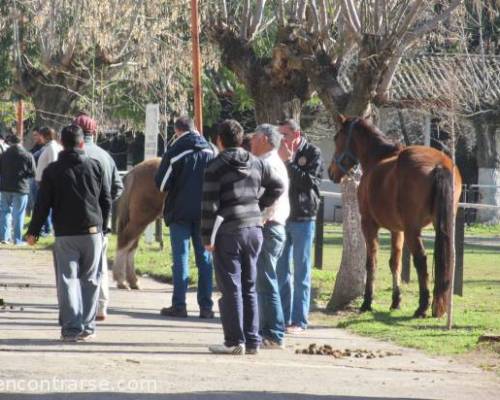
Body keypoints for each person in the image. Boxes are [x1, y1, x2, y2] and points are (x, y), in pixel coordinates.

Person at [202, 119, 284, 355]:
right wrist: (259, 205)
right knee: (249, 287)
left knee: (231, 288)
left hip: (228, 230)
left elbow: (208, 204)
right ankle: (252, 340)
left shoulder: (215, 165)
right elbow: (277, 186)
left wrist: (206, 237)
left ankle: (233, 341)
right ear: (240, 139)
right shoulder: (257, 163)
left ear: (219, 140)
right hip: (254, 230)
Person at [26, 125, 111, 342]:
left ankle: (71, 328)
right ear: (82, 143)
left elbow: (42, 205)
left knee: (67, 280)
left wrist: (33, 231)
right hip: (93, 231)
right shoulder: (95, 166)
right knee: (91, 279)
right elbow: (106, 199)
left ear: (62, 143)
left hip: (65, 233)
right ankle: (88, 326)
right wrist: (104, 225)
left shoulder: (52, 171)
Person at [154, 116, 215, 319]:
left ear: (177, 131)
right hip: (206, 213)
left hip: (179, 212)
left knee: (181, 259)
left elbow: (161, 184)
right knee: (205, 259)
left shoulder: (175, 152)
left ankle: (179, 305)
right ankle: (206, 307)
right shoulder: (211, 150)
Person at [73, 112, 124, 321]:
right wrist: (104, 201)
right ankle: (101, 305)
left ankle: (78, 307)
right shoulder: (106, 156)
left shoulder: (69, 155)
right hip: (101, 221)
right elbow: (118, 187)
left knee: (74, 267)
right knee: (100, 263)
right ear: (94, 132)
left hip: (73, 221)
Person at [276, 119, 324, 334]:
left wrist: (289, 164)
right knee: (281, 270)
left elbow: (309, 182)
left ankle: (299, 320)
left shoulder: (312, 153)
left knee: (301, 271)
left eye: (284, 135)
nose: (281, 139)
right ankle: (282, 318)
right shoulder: (277, 153)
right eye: (279, 135)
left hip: (303, 218)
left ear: (296, 135)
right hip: (281, 217)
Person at [250, 124, 290, 349]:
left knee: (266, 282)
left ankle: (274, 334)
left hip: (269, 226)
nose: (251, 141)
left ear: (264, 138)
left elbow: (272, 197)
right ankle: (266, 330)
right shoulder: (271, 161)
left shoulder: (268, 163)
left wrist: (260, 218)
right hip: (272, 226)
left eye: (254, 137)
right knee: (263, 281)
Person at [0, 135, 36, 245]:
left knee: (5, 211)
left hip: (5, 187)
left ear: (10, 143)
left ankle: (4, 237)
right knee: (19, 213)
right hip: (21, 187)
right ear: (20, 142)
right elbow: (33, 173)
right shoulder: (27, 155)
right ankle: (17, 239)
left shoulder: (4, 155)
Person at [36, 127, 62, 235]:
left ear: (44, 135)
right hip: (43, 181)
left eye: (40, 135)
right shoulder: (49, 147)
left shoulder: (52, 147)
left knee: (44, 206)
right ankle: (46, 228)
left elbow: (53, 163)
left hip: (46, 182)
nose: (39, 137)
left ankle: (48, 229)